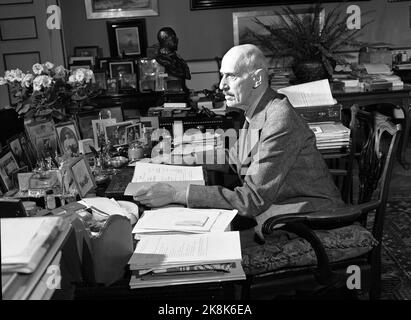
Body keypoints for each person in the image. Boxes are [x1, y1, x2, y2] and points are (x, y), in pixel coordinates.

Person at [133, 44, 344, 241]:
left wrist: (175, 193)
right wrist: (179, 158)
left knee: (208, 243)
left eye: (231, 76)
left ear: (257, 79)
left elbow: (251, 199)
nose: (222, 85)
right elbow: (234, 158)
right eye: (222, 76)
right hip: (278, 210)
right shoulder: (259, 109)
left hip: (310, 220)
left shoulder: (280, 120)